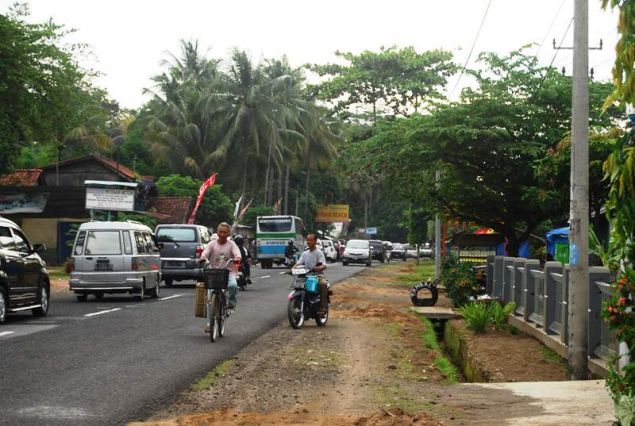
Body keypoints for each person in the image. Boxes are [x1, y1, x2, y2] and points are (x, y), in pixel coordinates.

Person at [200, 222, 241, 332]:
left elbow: (237, 253)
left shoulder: (231, 244)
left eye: (224, 232)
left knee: (233, 286)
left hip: (229, 273)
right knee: (209, 299)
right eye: (220, 232)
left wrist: (237, 257)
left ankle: (231, 303)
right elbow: (205, 252)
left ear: (228, 233)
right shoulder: (212, 244)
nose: (222, 234)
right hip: (214, 273)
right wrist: (203, 257)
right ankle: (209, 323)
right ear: (217, 232)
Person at [292, 233, 328, 314]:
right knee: (298, 285)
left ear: (315, 241)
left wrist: (318, 268)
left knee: (323, 284)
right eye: (308, 240)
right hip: (306, 276)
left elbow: (324, 265)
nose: (309, 241)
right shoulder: (305, 253)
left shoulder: (319, 252)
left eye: (311, 240)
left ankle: (323, 306)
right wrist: (292, 269)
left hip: (318, 276)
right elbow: (298, 263)